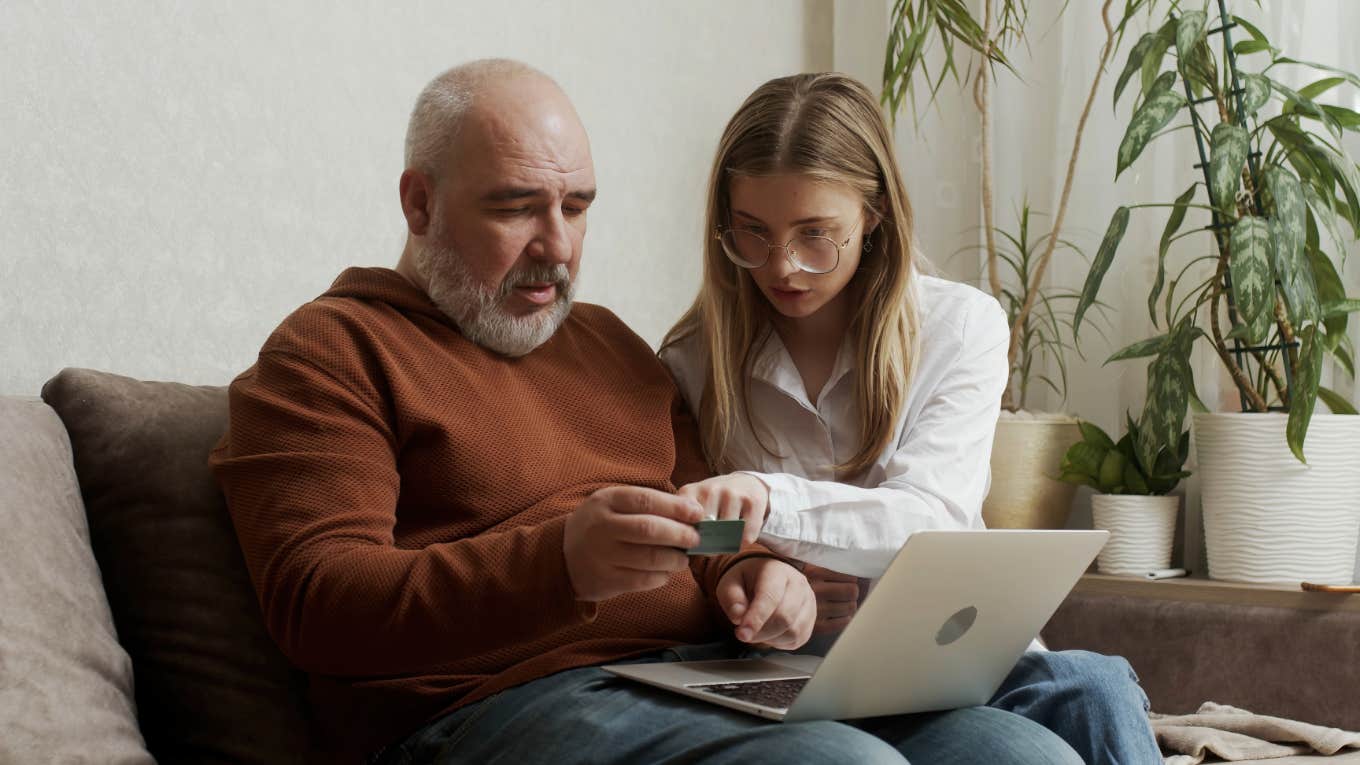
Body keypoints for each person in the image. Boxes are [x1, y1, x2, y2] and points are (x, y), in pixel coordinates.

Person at [211, 59, 1088, 764]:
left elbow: (700, 532)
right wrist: (558, 563)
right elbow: (315, 601)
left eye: (576, 206)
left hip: (698, 678)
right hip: (486, 704)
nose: (557, 245)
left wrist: (750, 579)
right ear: (420, 202)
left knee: (1021, 750)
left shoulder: (612, 349)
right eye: (517, 207)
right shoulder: (330, 352)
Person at [658, 72, 1161, 764]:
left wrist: (776, 507)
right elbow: (694, 529)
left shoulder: (958, 328)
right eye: (753, 233)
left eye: (815, 235)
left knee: (1098, 686)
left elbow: (932, 518)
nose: (783, 266)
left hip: (952, 663)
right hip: (792, 671)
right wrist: (768, 568)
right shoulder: (693, 359)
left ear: (874, 213)